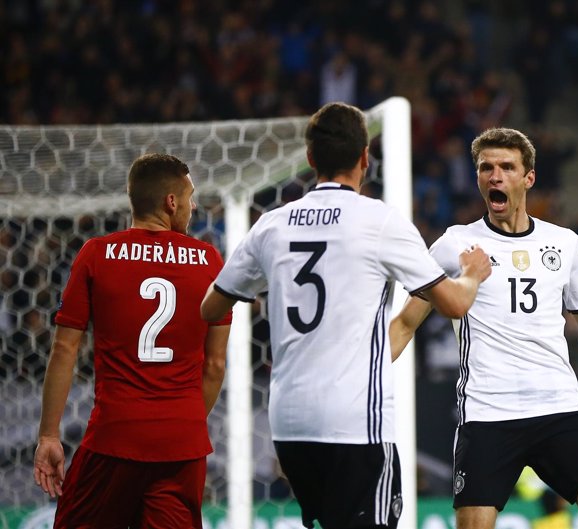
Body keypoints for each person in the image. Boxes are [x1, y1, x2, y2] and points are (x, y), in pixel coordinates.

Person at [200, 101, 491, 529]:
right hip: (356, 425)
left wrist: (261, 293)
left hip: (291, 426)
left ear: (310, 158)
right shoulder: (378, 221)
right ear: (365, 158)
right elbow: (455, 304)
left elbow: (211, 305)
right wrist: (471, 274)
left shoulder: (271, 225)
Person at [390, 127, 578, 529]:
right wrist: (358, 376)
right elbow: (405, 322)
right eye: (485, 168)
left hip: (559, 407)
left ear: (528, 178)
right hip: (488, 413)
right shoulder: (455, 244)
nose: (495, 176)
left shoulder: (564, 243)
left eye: (507, 167)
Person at [33, 153, 232, 529]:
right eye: (189, 197)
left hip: (114, 437)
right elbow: (215, 364)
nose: (192, 206)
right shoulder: (208, 261)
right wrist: (178, 422)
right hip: (181, 445)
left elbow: (64, 349)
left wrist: (48, 435)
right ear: (171, 202)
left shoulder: (96, 253)